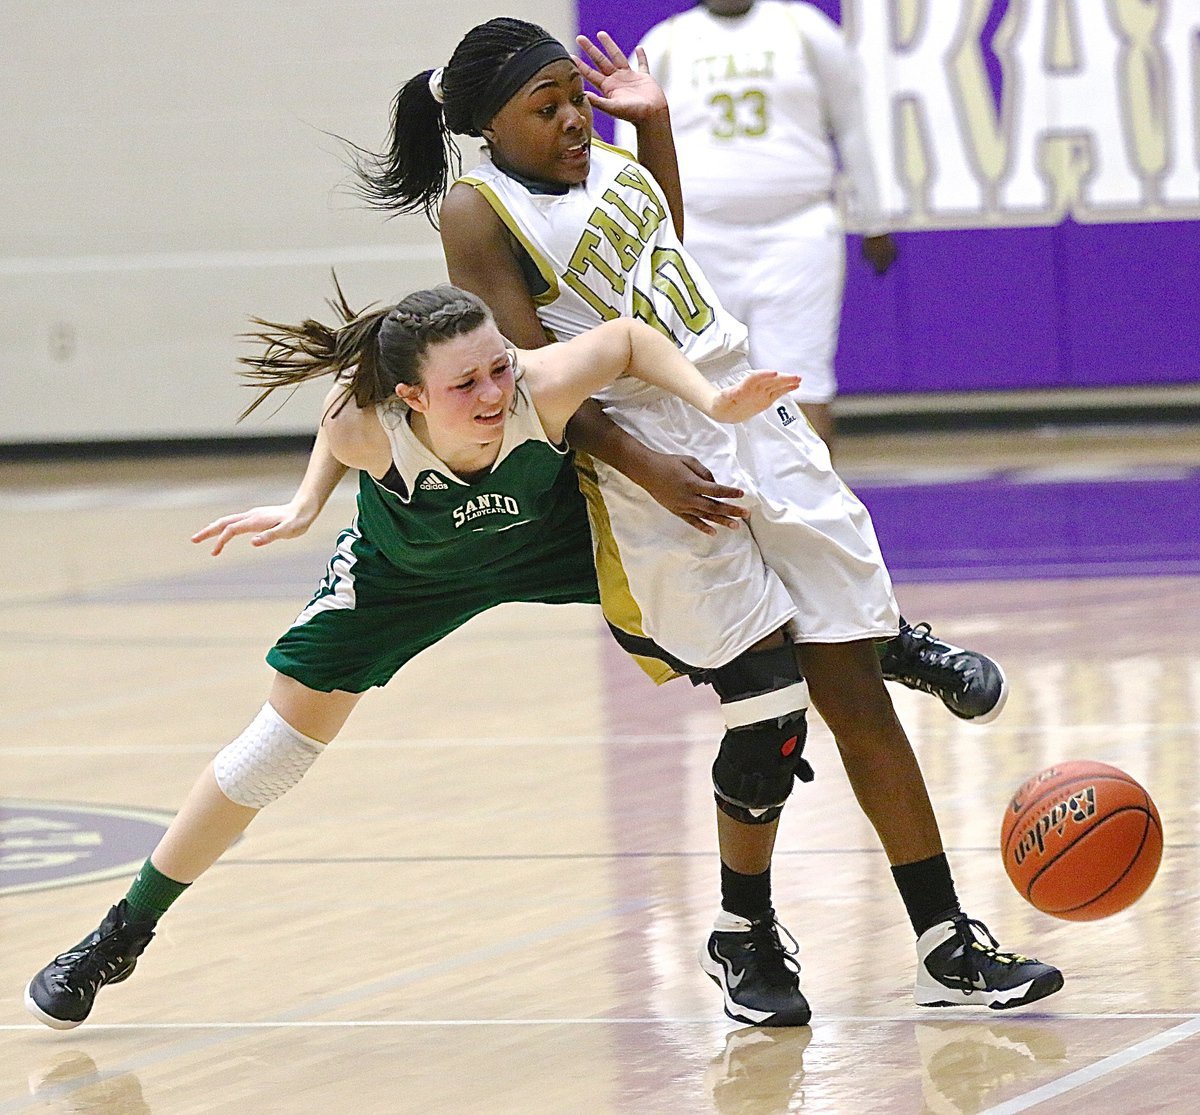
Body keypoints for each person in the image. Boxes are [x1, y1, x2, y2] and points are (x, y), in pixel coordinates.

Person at [349, 17, 1062, 1026]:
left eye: (574, 97)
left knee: (852, 682)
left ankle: (947, 946)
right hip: (648, 457)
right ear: (487, 126)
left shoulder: (616, 160)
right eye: (544, 107)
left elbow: (658, 247)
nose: (571, 120)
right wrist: (655, 468)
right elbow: (527, 383)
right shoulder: (479, 209)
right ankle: (744, 930)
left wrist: (659, 129)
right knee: (768, 706)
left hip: (743, 405)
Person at [23, 282, 799, 1030]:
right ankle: (121, 934)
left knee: (742, 600)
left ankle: (885, 648)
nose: (496, 392)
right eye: (466, 382)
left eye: (500, 366)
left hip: (550, 543)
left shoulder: (541, 385)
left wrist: (710, 399)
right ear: (412, 397)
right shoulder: (368, 426)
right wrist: (303, 509)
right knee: (272, 751)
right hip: (404, 573)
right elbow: (336, 428)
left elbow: (628, 339)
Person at [614, 0, 895, 455]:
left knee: (801, 380)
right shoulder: (664, 41)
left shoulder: (802, 27)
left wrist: (874, 219)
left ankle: (814, 515)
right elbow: (631, 142)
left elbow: (852, 123)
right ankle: (732, 515)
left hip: (798, 234)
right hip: (698, 240)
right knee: (705, 385)